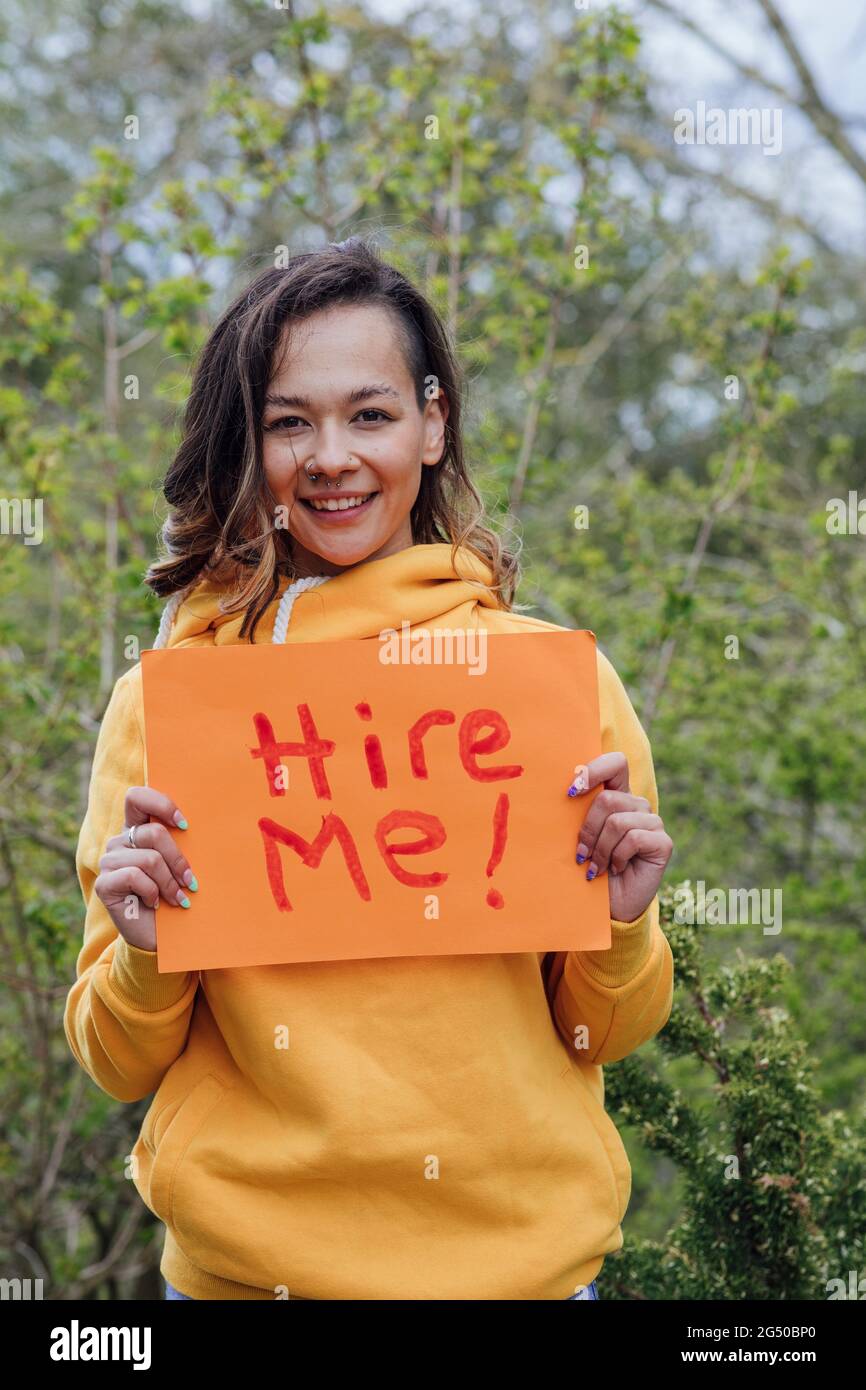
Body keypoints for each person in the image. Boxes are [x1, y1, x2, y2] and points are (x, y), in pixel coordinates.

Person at [64, 237, 674, 1301]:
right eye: (288, 421)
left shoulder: (549, 684)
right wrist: (147, 949)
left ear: (432, 425)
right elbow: (117, 1061)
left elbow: (599, 1032)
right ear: (246, 447)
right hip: (242, 1284)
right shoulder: (169, 703)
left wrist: (622, 923)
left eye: (370, 413)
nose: (330, 456)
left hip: (524, 1281)